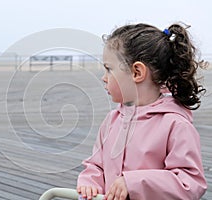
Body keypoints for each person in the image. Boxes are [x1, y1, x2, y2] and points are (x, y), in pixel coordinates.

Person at [76, 23, 207, 200]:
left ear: (137, 72)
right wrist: (89, 183)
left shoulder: (175, 125)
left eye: (109, 69)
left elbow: (189, 183)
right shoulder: (112, 120)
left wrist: (134, 183)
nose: (104, 77)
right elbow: (96, 165)